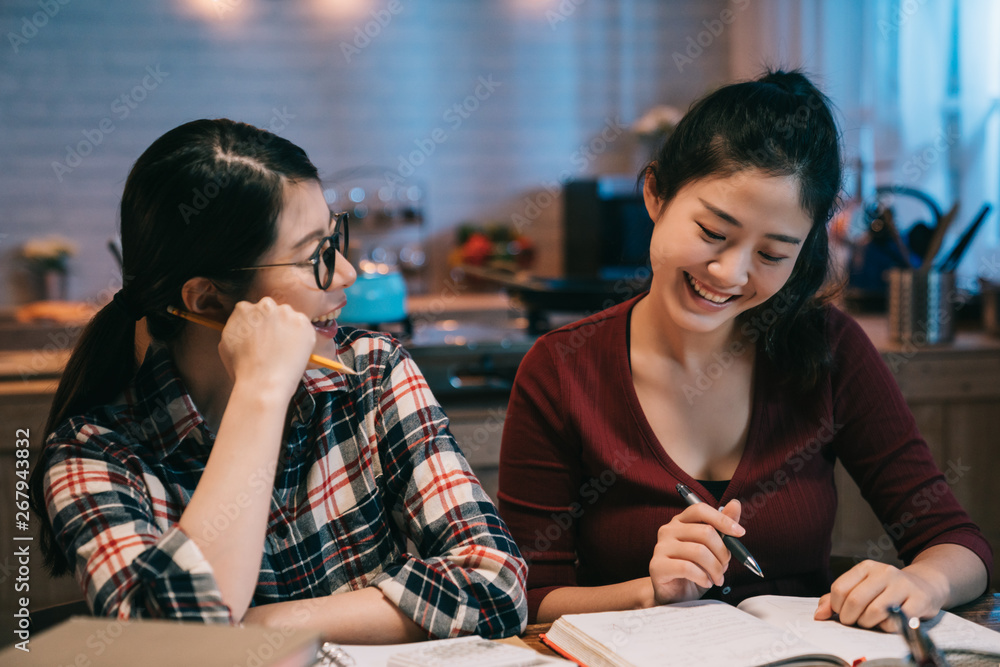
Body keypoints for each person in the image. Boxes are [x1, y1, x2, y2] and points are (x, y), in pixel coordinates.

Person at [497, 70, 991, 631]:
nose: (730, 273)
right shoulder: (563, 367)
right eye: (712, 232)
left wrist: (921, 580)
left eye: (774, 254)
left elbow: (958, 543)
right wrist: (649, 592)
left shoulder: (830, 347)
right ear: (656, 194)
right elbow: (527, 596)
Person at [29, 119, 527, 642]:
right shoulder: (95, 455)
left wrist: (262, 627)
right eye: (314, 255)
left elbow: (497, 587)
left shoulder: (372, 372)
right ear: (207, 299)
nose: (345, 275)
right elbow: (176, 647)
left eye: (334, 240)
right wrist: (260, 395)